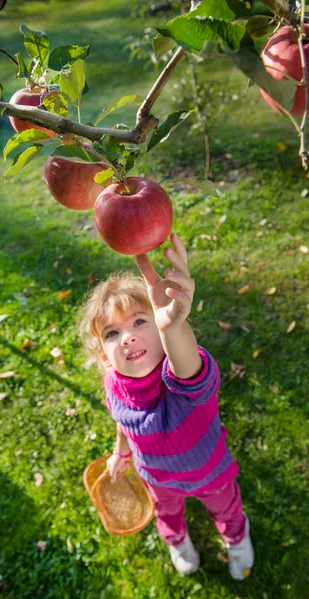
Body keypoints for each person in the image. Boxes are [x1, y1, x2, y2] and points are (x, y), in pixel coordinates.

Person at [78, 233, 254, 579]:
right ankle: (177, 540)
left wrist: (174, 327)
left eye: (140, 322)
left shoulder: (181, 380)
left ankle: (237, 539)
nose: (127, 337)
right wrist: (121, 452)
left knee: (227, 510)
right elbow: (123, 421)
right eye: (112, 334)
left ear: (161, 333)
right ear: (104, 356)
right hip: (157, 477)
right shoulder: (113, 384)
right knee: (167, 513)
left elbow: (190, 369)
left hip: (209, 473)